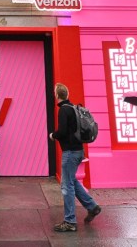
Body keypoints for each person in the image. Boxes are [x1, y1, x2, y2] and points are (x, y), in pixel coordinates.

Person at [49, 82, 101, 232]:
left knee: (67, 186)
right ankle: (92, 206)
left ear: (57, 95)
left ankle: (70, 221)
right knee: (72, 181)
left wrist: (53, 135)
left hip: (70, 152)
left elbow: (62, 131)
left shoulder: (63, 110)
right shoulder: (73, 108)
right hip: (78, 151)